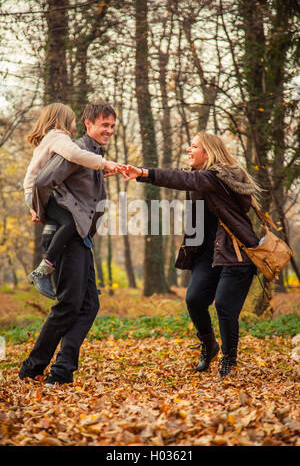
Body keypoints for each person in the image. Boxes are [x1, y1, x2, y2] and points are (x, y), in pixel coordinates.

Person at [119, 131, 262, 378]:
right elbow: (182, 179)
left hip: (234, 251)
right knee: (194, 299)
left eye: (193, 146)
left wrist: (142, 172)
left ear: (208, 153)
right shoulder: (201, 178)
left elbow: (183, 180)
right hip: (208, 253)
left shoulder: (216, 177)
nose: (188, 149)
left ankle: (229, 358)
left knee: (225, 307)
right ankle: (209, 345)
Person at [19, 100, 121, 387]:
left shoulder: (93, 155)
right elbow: (41, 182)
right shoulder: (75, 151)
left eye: (112, 126)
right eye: (104, 125)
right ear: (87, 124)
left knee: (88, 305)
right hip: (64, 237)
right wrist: (38, 211)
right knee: (70, 304)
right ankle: (34, 368)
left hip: (80, 238)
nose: (109, 130)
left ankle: (61, 369)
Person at [24, 102, 121, 299]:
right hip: (37, 192)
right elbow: (74, 155)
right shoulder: (60, 137)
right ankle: (42, 272)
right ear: (64, 121)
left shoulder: (51, 139)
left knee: (69, 222)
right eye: (73, 121)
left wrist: (100, 172)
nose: (75, 126)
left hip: (36, 192)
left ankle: (82, 286)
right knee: (71, 222)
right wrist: (102, 163)